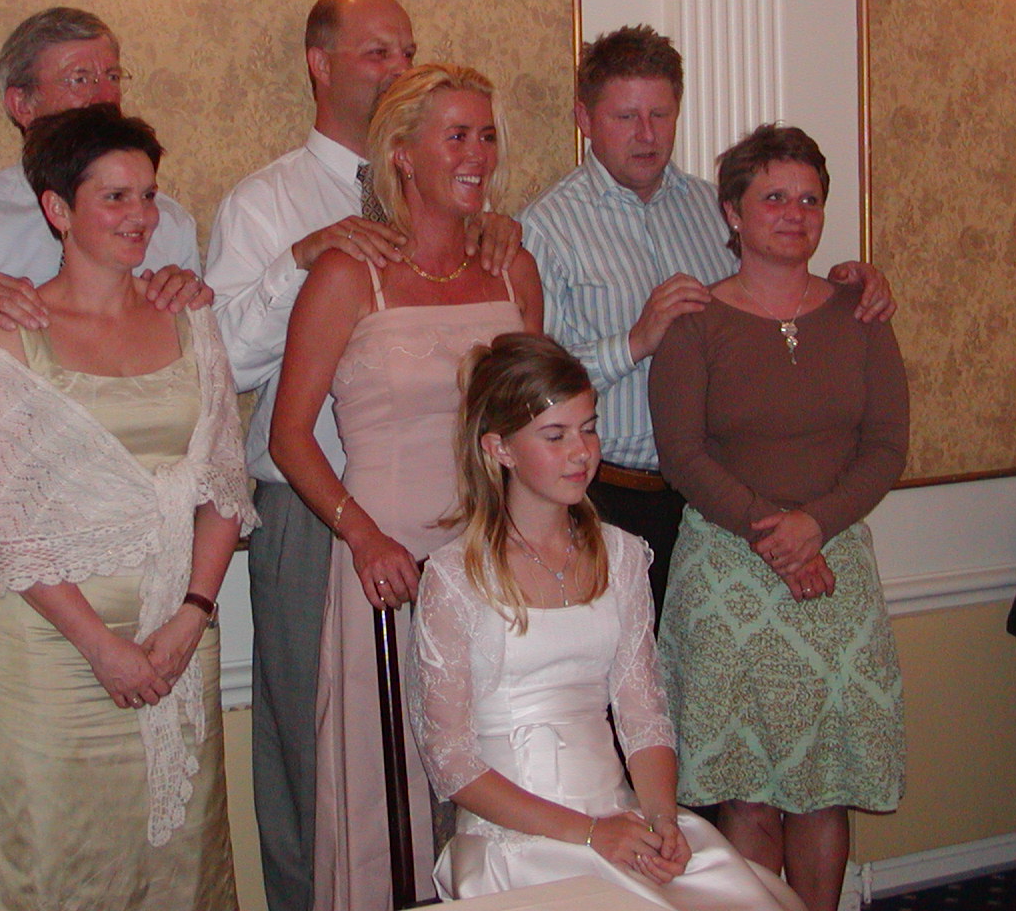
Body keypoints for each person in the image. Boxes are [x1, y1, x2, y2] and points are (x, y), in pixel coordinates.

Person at [205, 0, 518, 911]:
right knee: (325, 759)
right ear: (321, 65)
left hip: (471, 527)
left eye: (407, 51)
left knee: (468, 750)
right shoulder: (269, 202)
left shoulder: (480, 234)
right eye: (378, 52)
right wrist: (301, 260)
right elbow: (224, 363)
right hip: (323, 518)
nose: (396, 67)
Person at [0, 6, 205, 835]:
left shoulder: (166, 222)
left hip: (155, 551)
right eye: (78, 78)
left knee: (164, 805)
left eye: (112, 74)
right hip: (19, 544)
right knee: (40, 810)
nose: (102, 93)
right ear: (19, 104)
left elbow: (203, 407)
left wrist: (189, 301)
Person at [0, 106, 255, 910]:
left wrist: (193, 615)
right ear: (58, 209)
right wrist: (101, 648)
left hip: (177, 636)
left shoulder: (190, 317)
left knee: (181, 865)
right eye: (114, 197)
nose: (140, 216)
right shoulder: (9, 335)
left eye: (148, 195)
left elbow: (223, 486)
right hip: (58, 653)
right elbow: (6, 523)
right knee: (63, 863)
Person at [268, 62, 544, 911]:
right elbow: (288, 437)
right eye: (455, 136)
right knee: (387, 791)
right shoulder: (348, 274)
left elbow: (539, 427)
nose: (478, 154)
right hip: (387, 564)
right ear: (400, 153)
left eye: (486, 135)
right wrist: (361, 535)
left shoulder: (512, 269)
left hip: (497, 562)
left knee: (501, 774)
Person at [408, 332, 805, 911]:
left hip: (620, 816)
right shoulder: (455, 577)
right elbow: (451, 762)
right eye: (556, 435)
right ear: (500, 449)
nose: (582, 452)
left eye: (589, 429)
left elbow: (643, 714)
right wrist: (592, 834)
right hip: (518, 838)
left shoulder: (620, 556)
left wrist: (662, 820)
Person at [521, 26, 893, 625]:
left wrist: (853, 281)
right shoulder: (546, 227)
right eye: (625, 117)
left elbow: (771, 302)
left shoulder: (713, 207)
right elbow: (531, 392)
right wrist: (634, 342)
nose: (647, 134)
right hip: (599, 495)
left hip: (716, 507)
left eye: (660, 115)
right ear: (584, 119)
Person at [649, 124, 908, 911]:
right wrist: (777, 533)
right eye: (774, 198)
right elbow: (682, 455)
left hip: (835, 571)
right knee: (748, 791)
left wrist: (814, 526)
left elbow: (886, 447)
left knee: (824, 787)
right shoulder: (694, 321)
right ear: (732, 212)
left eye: (809, 199)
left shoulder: (862, 312)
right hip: (729, 572)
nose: (794, 214)